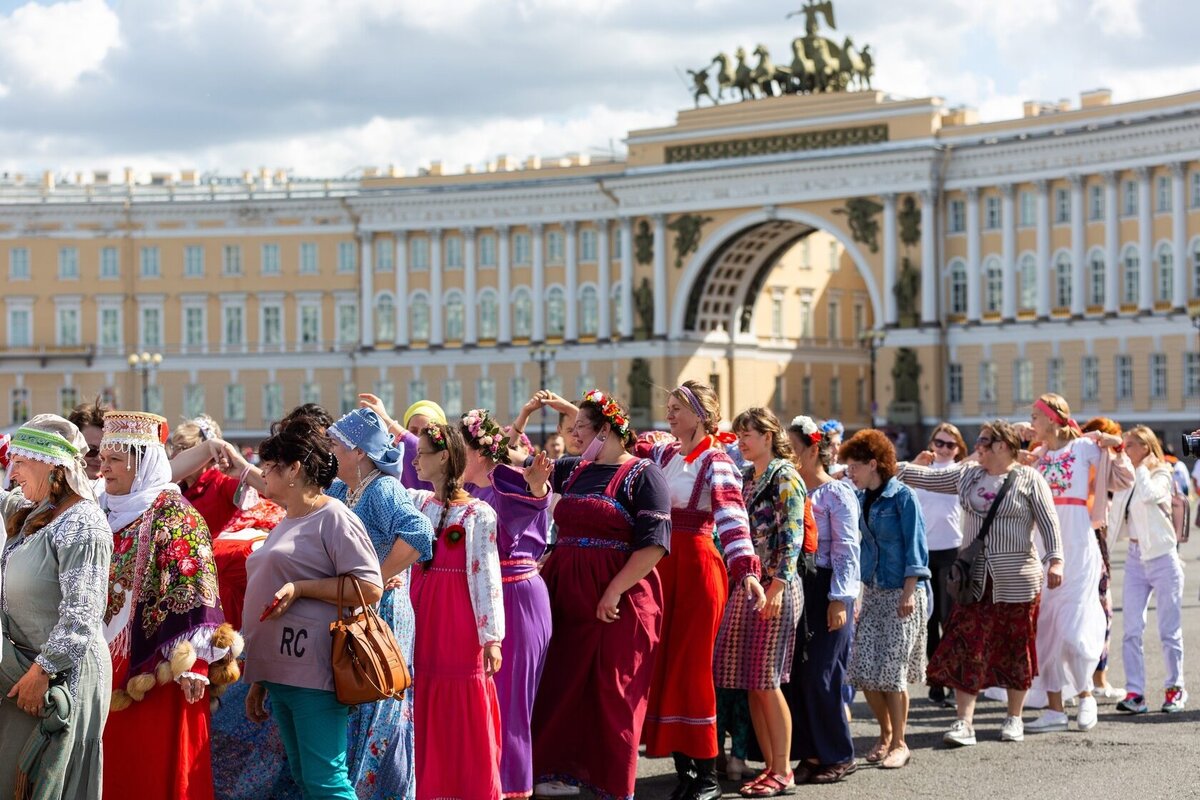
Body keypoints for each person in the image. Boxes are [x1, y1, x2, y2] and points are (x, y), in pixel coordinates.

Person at [531, 390, 671, 800]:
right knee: (561, 683)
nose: (573, 435)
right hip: (565, 593)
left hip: (619, 599)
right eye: (571, 429)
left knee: (615, 692)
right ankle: (558, 770)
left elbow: (654, 545)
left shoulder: (644, 475)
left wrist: (614, 591)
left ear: (606, 430)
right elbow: (515, 475)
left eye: (581, 428)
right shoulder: (572, 469)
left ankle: (614, 783)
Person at [97, 411, 238, 800]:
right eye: (102, 456)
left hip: (158, 668)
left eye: (113, 459)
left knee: (152, 772)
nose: (102, 467)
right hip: (107, 664)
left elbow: (195, 591)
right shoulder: (108, 510)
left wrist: (195, 665)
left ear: (140, 462)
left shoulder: (174, 516)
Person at [242, 416, 384, 800]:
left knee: (326, 782)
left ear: (294, 469)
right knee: (308, 779)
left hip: (313, 669)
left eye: (269, 467)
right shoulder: (288, 519)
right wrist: (260, 678)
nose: (263, 474)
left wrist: (302, 588)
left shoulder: (333, 516)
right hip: (282, 670)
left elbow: (370, 586)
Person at [898, 420, 1064, 746]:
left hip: (1017, 580)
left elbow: (1049, 524)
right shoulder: (969, 474)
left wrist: (1055, 560)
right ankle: (964, 723)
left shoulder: (1030, 480)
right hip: (973, 581)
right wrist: (888, 466)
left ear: (1002, 445)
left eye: (984, 442)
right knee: (966, 647)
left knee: (1016, 650)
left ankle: (1014, 718)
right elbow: (929, 478)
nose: (978, 447)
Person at [638, 381, 763, 800]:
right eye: (668, 407)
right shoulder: (662, 452)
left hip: (697, 568)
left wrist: (745, 569)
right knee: (665, 664)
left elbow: (731, 514)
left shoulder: (715, 459)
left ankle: (707, 772)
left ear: (701, 414)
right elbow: (615, 444)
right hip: (663, 566)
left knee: (693, 670)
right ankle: (685, 771)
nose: (669, 414)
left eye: (677, 408)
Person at [0, 416, 113, 799]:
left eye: (19, 462)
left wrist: (44, 671)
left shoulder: (84, 522)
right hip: (33, 673)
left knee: (50, 784)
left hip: (64, 677)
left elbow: (82, 614)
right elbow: (4, 499)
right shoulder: (40, 511)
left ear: (50, 464)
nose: (12, 473)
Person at [326, 408, 435, 800]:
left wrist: (375, 578)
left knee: (376, 700)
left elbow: (420, 531)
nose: (330, 450)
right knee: (348, 701)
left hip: (381, 614)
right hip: (350, 611)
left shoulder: (383, 488)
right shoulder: (340, 489)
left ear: (358, 452)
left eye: (335, 444)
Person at [409, 422, 505, 800]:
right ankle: (427, 788)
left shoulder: (478, 514)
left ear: (444, 457)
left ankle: (468, 789)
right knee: (422, 696)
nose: (415, 460)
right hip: (419, 616)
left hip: (457, 621)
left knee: (461, 700)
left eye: (422, 454)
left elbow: (486, 578)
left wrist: (491, 638)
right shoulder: (417, 503)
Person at [460, 408, 553, 800]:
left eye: (458, 445)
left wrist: (537, 490)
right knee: (485, 703)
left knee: (510, 707)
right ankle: (488, 784)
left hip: (515, 596)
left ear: (478, 452)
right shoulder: (466, 484)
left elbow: (536, 501)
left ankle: (512, 789)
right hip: (485, 597)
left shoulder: (508, 481)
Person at [1026, 394, 1130, 732]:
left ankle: (1086, 694)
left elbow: (1124, 478)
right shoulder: (1038, 459)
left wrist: (1115, 447)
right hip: (1044, 547)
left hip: (1080, 546)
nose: (1032, 423)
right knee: (1046, 629)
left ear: (1054, 419)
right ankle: (1055, 709)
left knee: (1074, 627)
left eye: (1035, 417)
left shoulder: (1085, 449)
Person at [713, 408, 802, 798]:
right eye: (739, 434)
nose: (741, 441)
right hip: (753, 586)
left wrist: (778, 586)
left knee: (767, 681)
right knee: (754, 683)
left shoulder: (784, 475)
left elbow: (792, 536)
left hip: (775, 587)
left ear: (769, 436)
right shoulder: (748, 477)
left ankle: (783, 770)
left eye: (748, 434)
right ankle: (771, 766)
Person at [840, 429, 928, 770]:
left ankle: (900, 743)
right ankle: (885, 732)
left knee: (892, 672)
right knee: (862, 671)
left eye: (855, 467)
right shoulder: (861, 499)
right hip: (873, 592)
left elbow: (916, 549)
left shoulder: (903, 497)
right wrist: (860, 594)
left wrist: (908, 592)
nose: (850, 472)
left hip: (902, 592)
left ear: (873, 464)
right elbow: (863, 551)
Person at [785, 415, 860, 784]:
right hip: (801, 584)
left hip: (830, 586)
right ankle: (811, 752)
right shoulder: (793, 489)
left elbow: (847, 549)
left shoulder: (836, 492)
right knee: (798, 674)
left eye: (793, 449)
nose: (788, 456)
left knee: (823, 674)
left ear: (815, 450)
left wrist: (840, 598)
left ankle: (839, 753)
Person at [1109, 426, 1188, 714]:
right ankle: (1135, 693)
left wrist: (1140, 467)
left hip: (1163, 558)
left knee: (1169, 630)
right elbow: (1115, 513)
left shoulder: (1161, 472)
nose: (1125, 449)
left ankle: (1175, 689)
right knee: (1131, 629)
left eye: (1130, 445)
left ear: (1145, 447)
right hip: (1134, 557)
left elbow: (1150, 495)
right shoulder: (1128, 474)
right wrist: (1104, 553)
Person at [912, 423, 967, 707]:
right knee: (929, 621)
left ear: (958, 449)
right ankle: (936, 681)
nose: (944, 449)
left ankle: (956, 679)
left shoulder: (962, 471)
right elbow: (895, 483)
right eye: (940, 442)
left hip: (951, 551)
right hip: (924, 554)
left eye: (950, 444)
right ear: (932, 443)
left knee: (951, 620)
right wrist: (915, 465)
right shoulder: (920, 470)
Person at [1079, 417, 1125, 699]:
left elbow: (1124, 479)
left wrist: (1117, 448)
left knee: (1101, 610)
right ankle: (1090, 681)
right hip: (1084, 538)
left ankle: (1097, 679)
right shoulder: (1083, 461)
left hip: (1097, 541)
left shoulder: (1101, 462)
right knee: (1092, 610)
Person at [68, 397, 110, 481]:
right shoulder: (50, 487)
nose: (99, 458)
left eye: (106, 451)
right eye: (91, 450)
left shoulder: (117, 491)